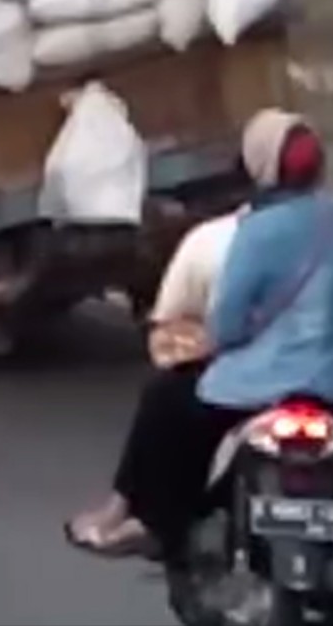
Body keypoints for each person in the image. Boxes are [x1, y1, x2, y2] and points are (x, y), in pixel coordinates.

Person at [65, 109, 333, 567]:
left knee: (166, 399)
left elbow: (227, 327)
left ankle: (150, 522)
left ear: (260, 168)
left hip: (264, 390)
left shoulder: (257, 232)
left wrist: (222, 339)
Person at [63, 201, 248, 556]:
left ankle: (144, 518)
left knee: (167, 394)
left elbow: (170, 334)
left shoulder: (220, 240)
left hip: (253, 382)